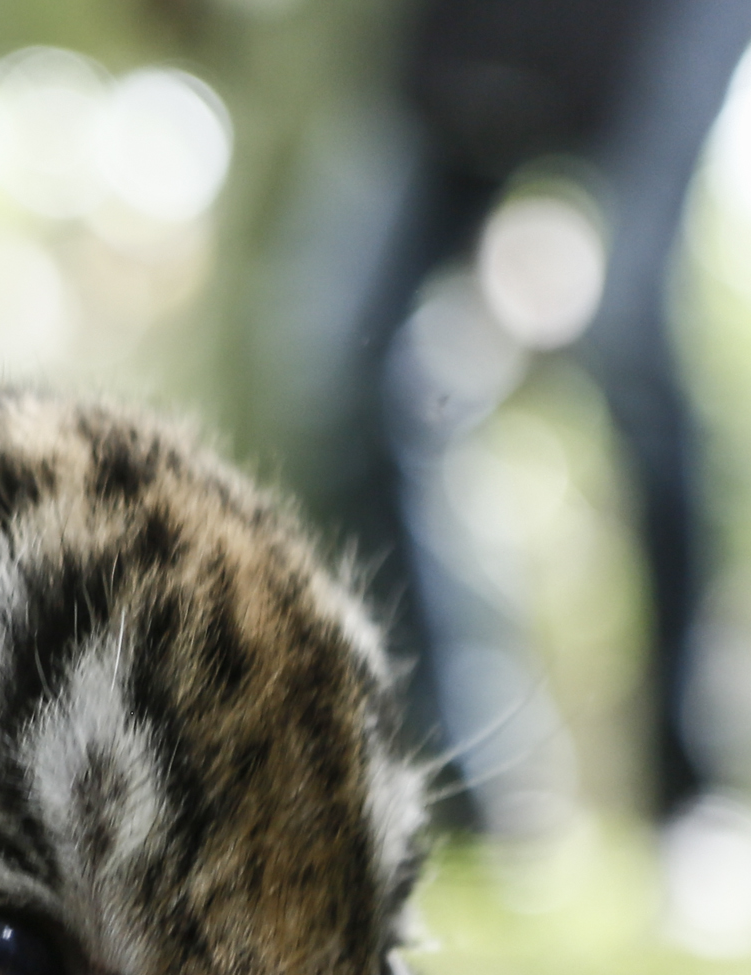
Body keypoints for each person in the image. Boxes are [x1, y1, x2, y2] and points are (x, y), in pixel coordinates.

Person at [307, 0, 751, 924]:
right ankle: (468, 781)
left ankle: (690, 795)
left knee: (628, 333)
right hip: (472, 27)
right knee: (340, 364)